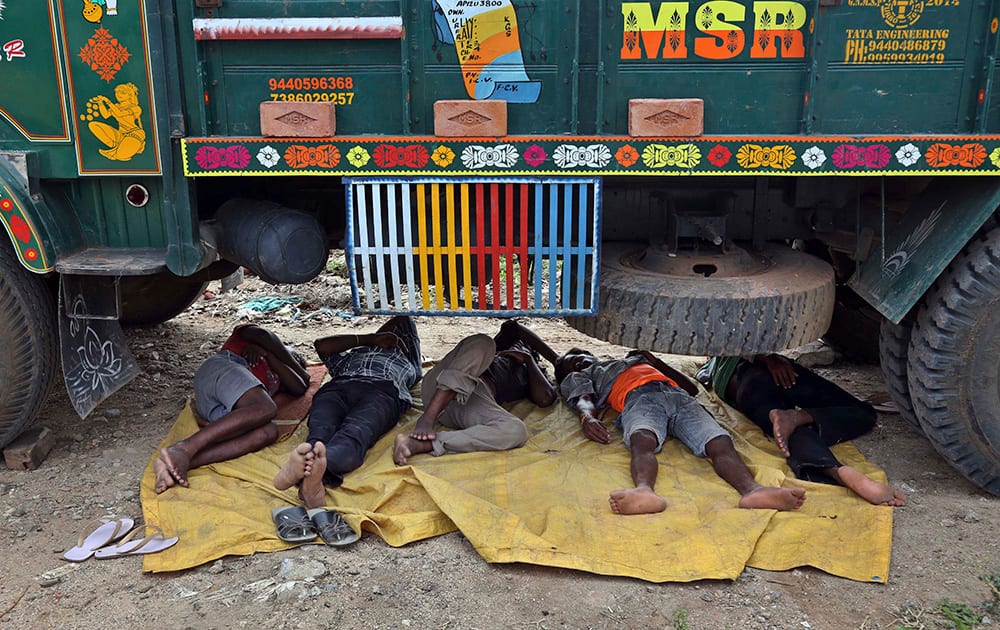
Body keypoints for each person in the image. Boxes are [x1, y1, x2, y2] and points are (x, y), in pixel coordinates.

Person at [556, 347, 807, 515]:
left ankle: (752, 490)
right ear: (569, 371)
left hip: (680, 398)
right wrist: (587, 417)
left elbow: (690, 388)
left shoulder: (633, 359)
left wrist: (656, 362)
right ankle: (644, 490)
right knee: (642, 439)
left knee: (718, 440)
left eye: (581, 353)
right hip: (640, 399)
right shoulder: (585, 374)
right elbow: (583, 398)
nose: (579, 357)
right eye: (571, 360)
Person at [700, 354, 905, 506]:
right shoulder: (721, 357)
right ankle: (798, 416)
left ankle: (835, 470)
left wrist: (767, 358)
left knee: (784, 431)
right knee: (863, 413)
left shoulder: (712, 369)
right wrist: (770, 358)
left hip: (751, 383)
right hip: (779, 371)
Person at [273, 316, 422, 508]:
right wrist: (370, 339)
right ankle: (309, 474)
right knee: (320, 431)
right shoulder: (351, 354)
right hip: (338, 387)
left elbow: (404, 321)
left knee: (354, 433)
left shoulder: (408, 361)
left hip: (382, 390)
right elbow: (322, 345)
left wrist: (388, 340)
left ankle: (309, 477)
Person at [154, 325, 310, 494]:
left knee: (269, 432)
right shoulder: (249, 340)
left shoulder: (275, 377)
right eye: (285, 350)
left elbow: (300, 387)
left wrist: (271, 357)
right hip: (217, 373)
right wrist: (271, 349)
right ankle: (183, 448)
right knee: (265, 408)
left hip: (217, 408)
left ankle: (176, 463)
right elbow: (265, 335)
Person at [392, 319, 558, 465]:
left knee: (516, 430)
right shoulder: (503, 346)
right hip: (440, 384)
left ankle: (420, 443)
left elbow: (546, 398)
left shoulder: (535, 374)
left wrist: (529, 360)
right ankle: (428, 416)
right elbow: (513, 327)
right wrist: (556, 358)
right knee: (484, 342)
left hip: (468, 402)